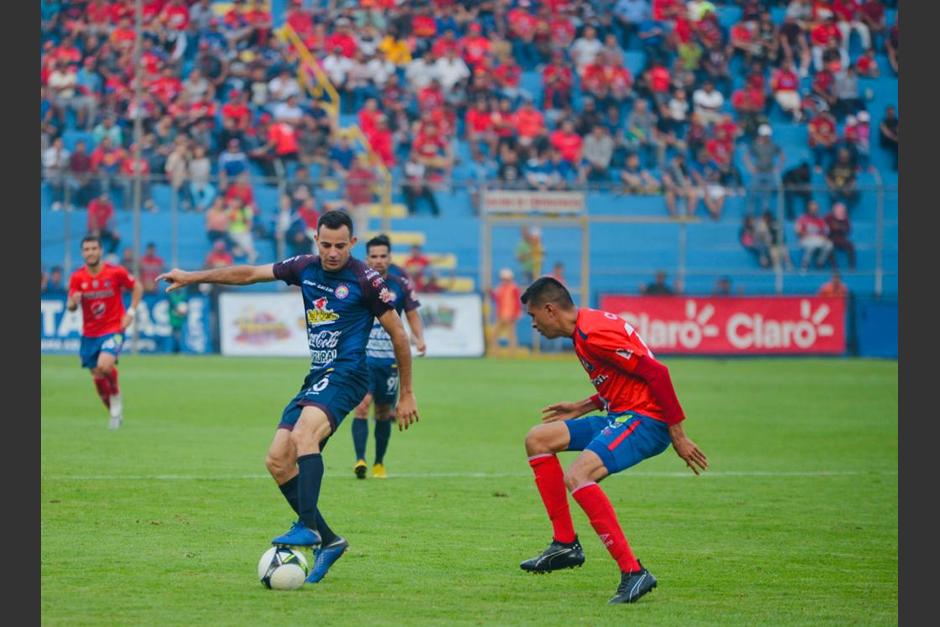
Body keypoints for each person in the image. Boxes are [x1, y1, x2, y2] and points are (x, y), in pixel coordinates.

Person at [157, 211, 419, 585]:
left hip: (348, 374)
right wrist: (192, 276)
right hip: (317, 376)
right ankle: (330, 541)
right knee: (278, 460)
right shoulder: (304, 268)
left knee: (303, 437)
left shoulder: (366, 280)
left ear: (353, 244)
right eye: (325, 244)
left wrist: (406, 393)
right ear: (316, 240)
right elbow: (248, 274)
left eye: (340, 246)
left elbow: (399, 335)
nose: (332, 253)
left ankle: (307, 526)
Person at [518, 277, 707, 604]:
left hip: (646, 420)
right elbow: (623, 378)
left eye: (534, 316)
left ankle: (634, 572)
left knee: (578, 475)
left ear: (550, 310)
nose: (533, 324)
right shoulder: (584, 328)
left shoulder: (594, 334)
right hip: (619, 414)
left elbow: (657, 374)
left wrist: (679, 436)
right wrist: (583, 405)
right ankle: (565, 544)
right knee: (538, 439)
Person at [351, 235, 427, 480]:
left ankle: (379, 463)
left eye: (383, 256)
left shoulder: (400, 285)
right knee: (362, 406)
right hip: (364, 358)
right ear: (367, 258)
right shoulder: (358, 282)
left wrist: (419, 337)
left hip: (390, 362)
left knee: (383, 412)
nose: (379, 260)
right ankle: (360, 459)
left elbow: (413, 313)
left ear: (390, 258)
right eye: (374, 256)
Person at [67, 235, 143, 429]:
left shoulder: (115, 272)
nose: (90, 252)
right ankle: (114, 414)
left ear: (100, 251)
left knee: (105, 365)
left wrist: (131, 313)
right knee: (97, 376)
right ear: (82, 253)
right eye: (86, 249)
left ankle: (116, 394)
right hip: (90, 333)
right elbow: (71, 306)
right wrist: (73, 303)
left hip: (114, 329)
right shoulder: (77, 277)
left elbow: (137, 287)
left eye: (94, 248)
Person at [491, 268, 522, 351]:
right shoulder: (500, 288)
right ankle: (495, 352)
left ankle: (512, 353)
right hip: (501, 314)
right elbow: (496, 299)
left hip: (510, 314)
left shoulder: (514, 288)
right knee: (494, 333)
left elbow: (517, 302)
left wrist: (516, 313)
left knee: (511, 335)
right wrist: (491, 293)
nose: (504, 280)